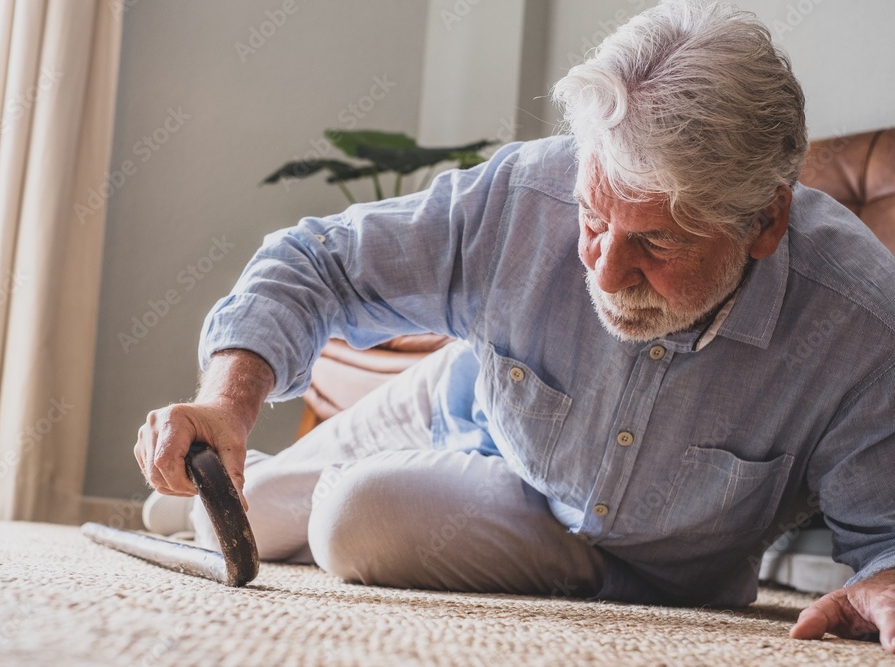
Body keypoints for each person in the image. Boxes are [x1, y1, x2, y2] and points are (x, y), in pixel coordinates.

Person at [134, 0, 895, 651]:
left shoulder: (858, 322)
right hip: (461, 400)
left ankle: (259, 495)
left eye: (657, 242)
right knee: (202, 512)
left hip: (598, 548)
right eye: (594, 220)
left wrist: (885, 581)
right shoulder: (526, 193)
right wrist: (227, 403)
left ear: (765, 221)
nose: (604, 272)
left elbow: (882, 531)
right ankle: (225, 487)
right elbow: (317, 261)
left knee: (351, 519)